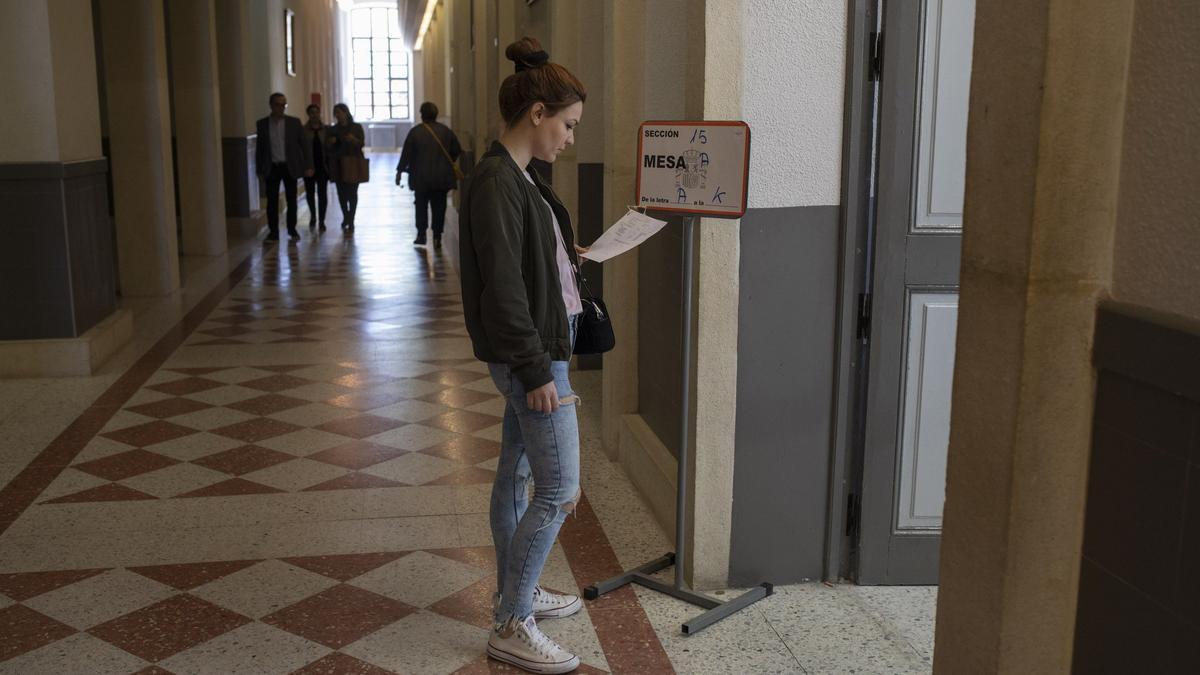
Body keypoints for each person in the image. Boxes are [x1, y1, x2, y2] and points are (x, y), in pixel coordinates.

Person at [459, 37, 589, 675]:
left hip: (537, 347)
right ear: (537, 113)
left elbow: (524, 264)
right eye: (566, 124)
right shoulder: (496, 180)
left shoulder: (520, 176)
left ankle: (518, 595)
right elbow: (502, 286)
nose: (569, 138)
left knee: (516, 476)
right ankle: (513, 622)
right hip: (533, 356)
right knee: (561, 488)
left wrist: (566, 259)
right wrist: (537, 372)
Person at [396, 101, 462, 248]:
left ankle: (421, 234)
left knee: (421, 206)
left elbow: (406, 154)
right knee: (439, 207)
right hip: (441, 178)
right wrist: (447, 161)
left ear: (422, 115)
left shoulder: (415, 132)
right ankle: (437, 236)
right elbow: (457, 149)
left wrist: (399, 172)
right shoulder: (446, 131)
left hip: (421, 178)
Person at [255, 92, 313, 242]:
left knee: (291, 200)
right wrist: (259, 169)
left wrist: (308, 165)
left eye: (284, 105)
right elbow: (260, 149)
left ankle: (292, 229)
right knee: (272, 201)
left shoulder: (294, 122)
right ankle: (273, 232)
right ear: (271, 105)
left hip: (290, 166)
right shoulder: (262, 124)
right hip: (272, 167)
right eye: (278, 105)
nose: (281, 108)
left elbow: (304, 145)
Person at [326, 103, 366, 231]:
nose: (338, 115)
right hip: (338, 164)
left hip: (353, 162)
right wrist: (331, 143)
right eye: (336, 113)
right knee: (341, 193)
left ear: (346, 113)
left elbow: (361, 143)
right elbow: (327, 147)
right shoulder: (333, 129)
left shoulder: (356, 127)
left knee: (352, 192)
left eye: (340, 112)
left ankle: (352, 219)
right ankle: (346, 216)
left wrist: (353, 140)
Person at [302, 103, 330, 232]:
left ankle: (322, 220)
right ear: (308, 114)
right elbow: (300, 149)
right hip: (308, 166)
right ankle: (313, 215)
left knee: (322, 194)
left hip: (322, 167)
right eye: (312, 112)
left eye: (316, 112)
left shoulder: (326, 130)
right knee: (310, 193)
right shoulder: (303, 130)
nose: (315, 115)